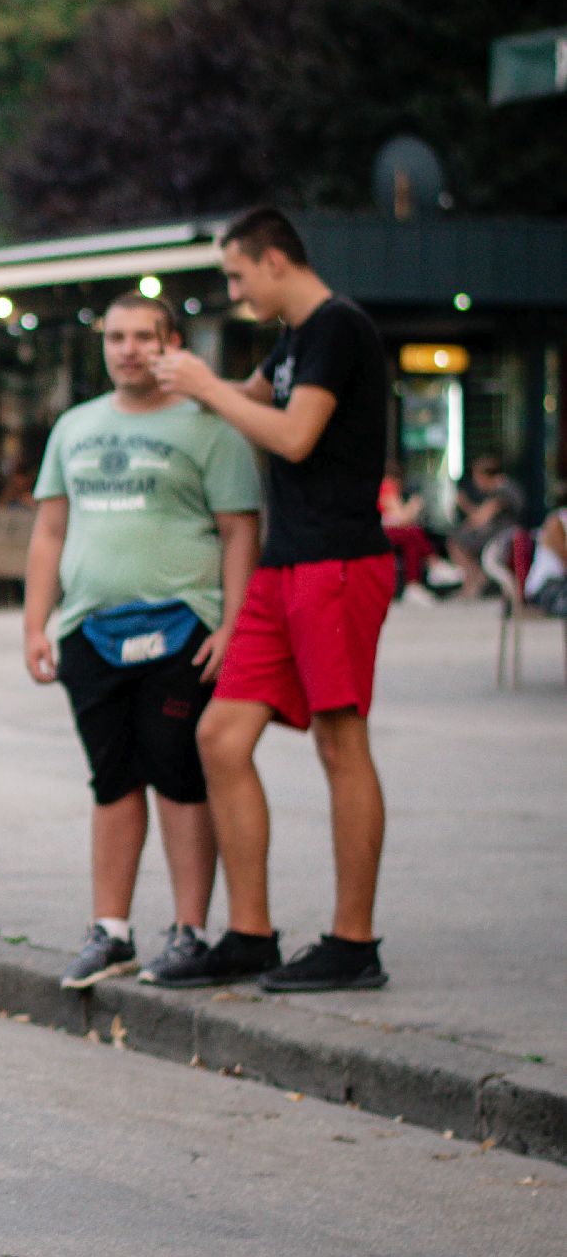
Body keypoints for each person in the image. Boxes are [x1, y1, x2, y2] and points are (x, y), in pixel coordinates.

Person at [152, 207, 397, 992]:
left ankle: (353, 943)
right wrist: (179, 377)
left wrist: (206, 387)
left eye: (237, 275)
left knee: (340, 741)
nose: (235, 291)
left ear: (275, 261)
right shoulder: (294, 340)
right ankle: (250, 934)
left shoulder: (338, 327)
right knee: (220, 735)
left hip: (338, 561)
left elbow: (293, 435)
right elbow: (240, 402)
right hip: (283, 564)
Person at [22, 293, 261, 991]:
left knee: (178, 776)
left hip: (183, 628)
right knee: (112, 780)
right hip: (90, 632)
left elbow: (240, 531)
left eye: (143, 337)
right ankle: (111, 930)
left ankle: (189, 931)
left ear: (172, 344)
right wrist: (36, 624)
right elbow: (50, 530)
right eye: (116, 337)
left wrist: (233, 624)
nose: (128, 349)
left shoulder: (211, 427)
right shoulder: (74, 427)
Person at [445, 454, 523, 599]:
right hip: (500, 536)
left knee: (459, 543)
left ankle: (476, 582)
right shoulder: (503, 488)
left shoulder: (503, 490)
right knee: (460, 539)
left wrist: (464, 504)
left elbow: (480, 518)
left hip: (502, 538)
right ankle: (474, 582)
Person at [378, 462, 438, 602]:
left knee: (413, 541)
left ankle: (415, 582)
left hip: (387, 531)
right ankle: (432, 564)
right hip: (380, 533)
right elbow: (402, 518)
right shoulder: (386, 487)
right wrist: (413, 505)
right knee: (413, 533)